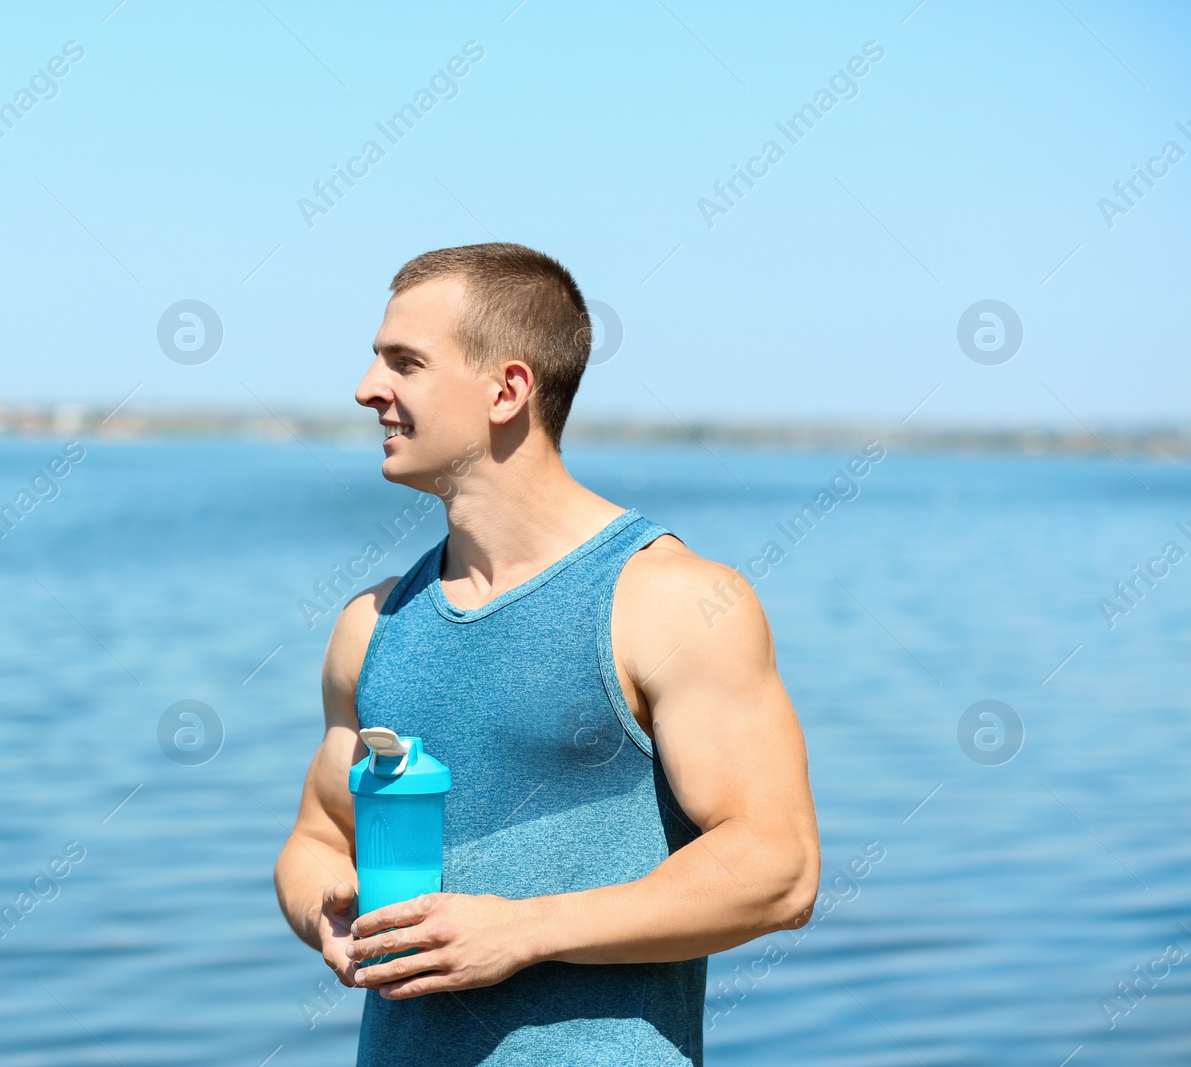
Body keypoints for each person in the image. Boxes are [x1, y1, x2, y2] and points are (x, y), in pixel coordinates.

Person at [272, 242, 820, 1066]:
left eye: (404, 362)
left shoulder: (670, 600)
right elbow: (317, 838)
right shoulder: (372, 622)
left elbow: (780, 867)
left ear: (508, 389)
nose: (366, 388)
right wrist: (329, 912)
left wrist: (522, 931)